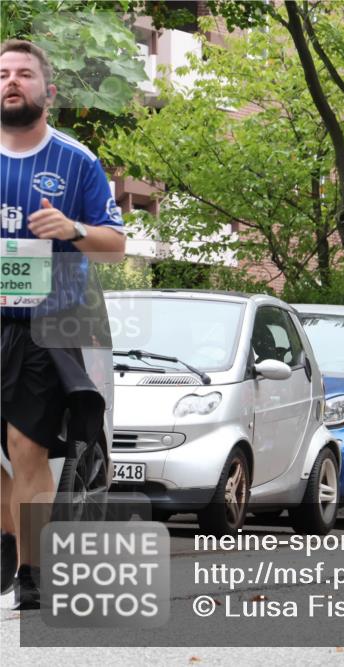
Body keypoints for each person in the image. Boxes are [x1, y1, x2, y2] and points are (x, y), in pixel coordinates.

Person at [1, 39, 126, 609]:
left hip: (48, 323)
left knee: (26, 446)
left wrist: (72, 228)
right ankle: (14, 538)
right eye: (3, 74)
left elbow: (115, 246)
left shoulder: (77, 161)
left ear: (47, 91)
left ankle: (32, 574)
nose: (11, 82)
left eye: (24, 74)